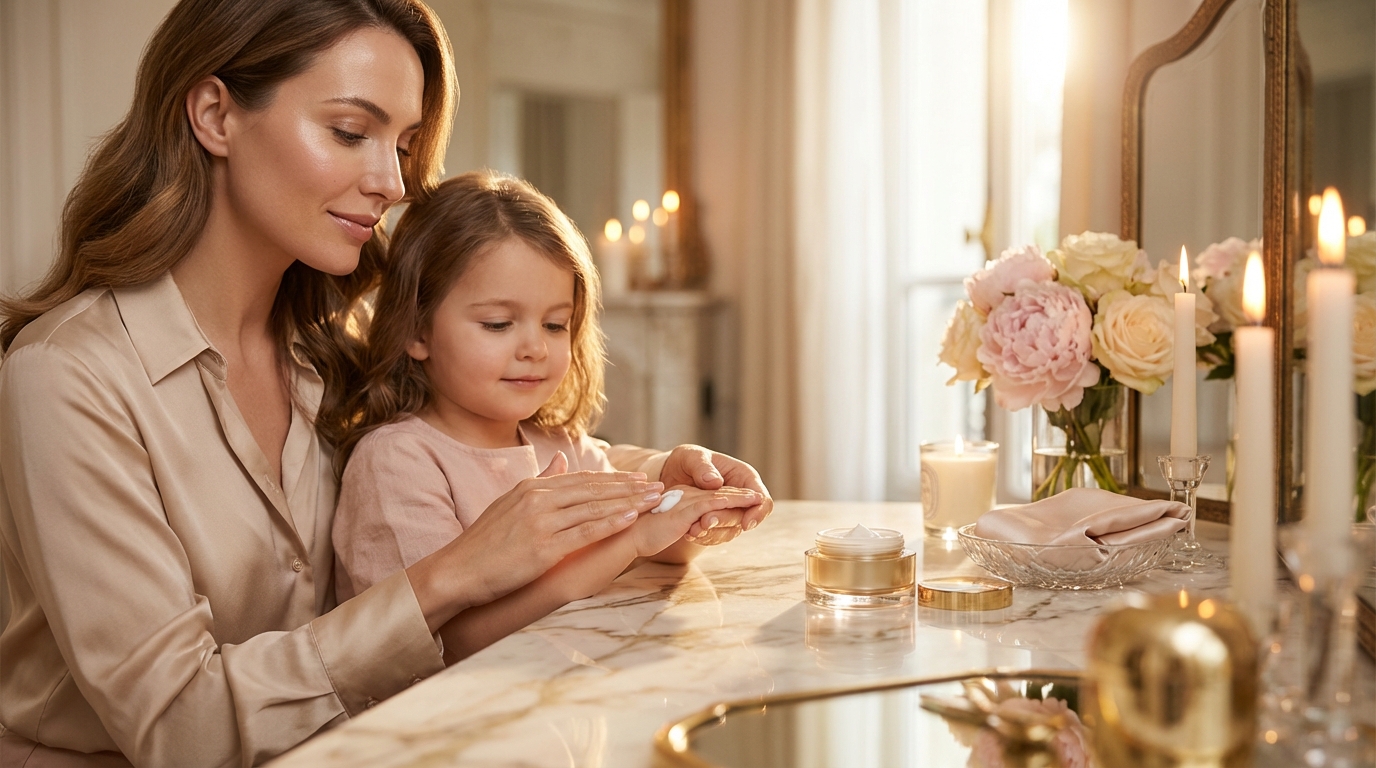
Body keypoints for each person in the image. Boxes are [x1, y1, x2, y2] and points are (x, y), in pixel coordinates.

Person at [0, 1, 771, 766]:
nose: (394, 182)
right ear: (214, 114)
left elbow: (472, 439)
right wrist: (453, 574)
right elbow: (180, 728)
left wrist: (654, 476)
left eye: (403, 145)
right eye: (349, 132)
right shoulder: (67, 377)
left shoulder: (326, 351)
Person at [329, 172, 760, 663]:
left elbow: (654, 543)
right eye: (498, 324)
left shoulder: (559, 445)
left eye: (555, 324)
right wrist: (629, 544)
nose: (535, 348)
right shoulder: (397, 461)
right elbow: (450, 645)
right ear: (417, 329)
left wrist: (698, 510)